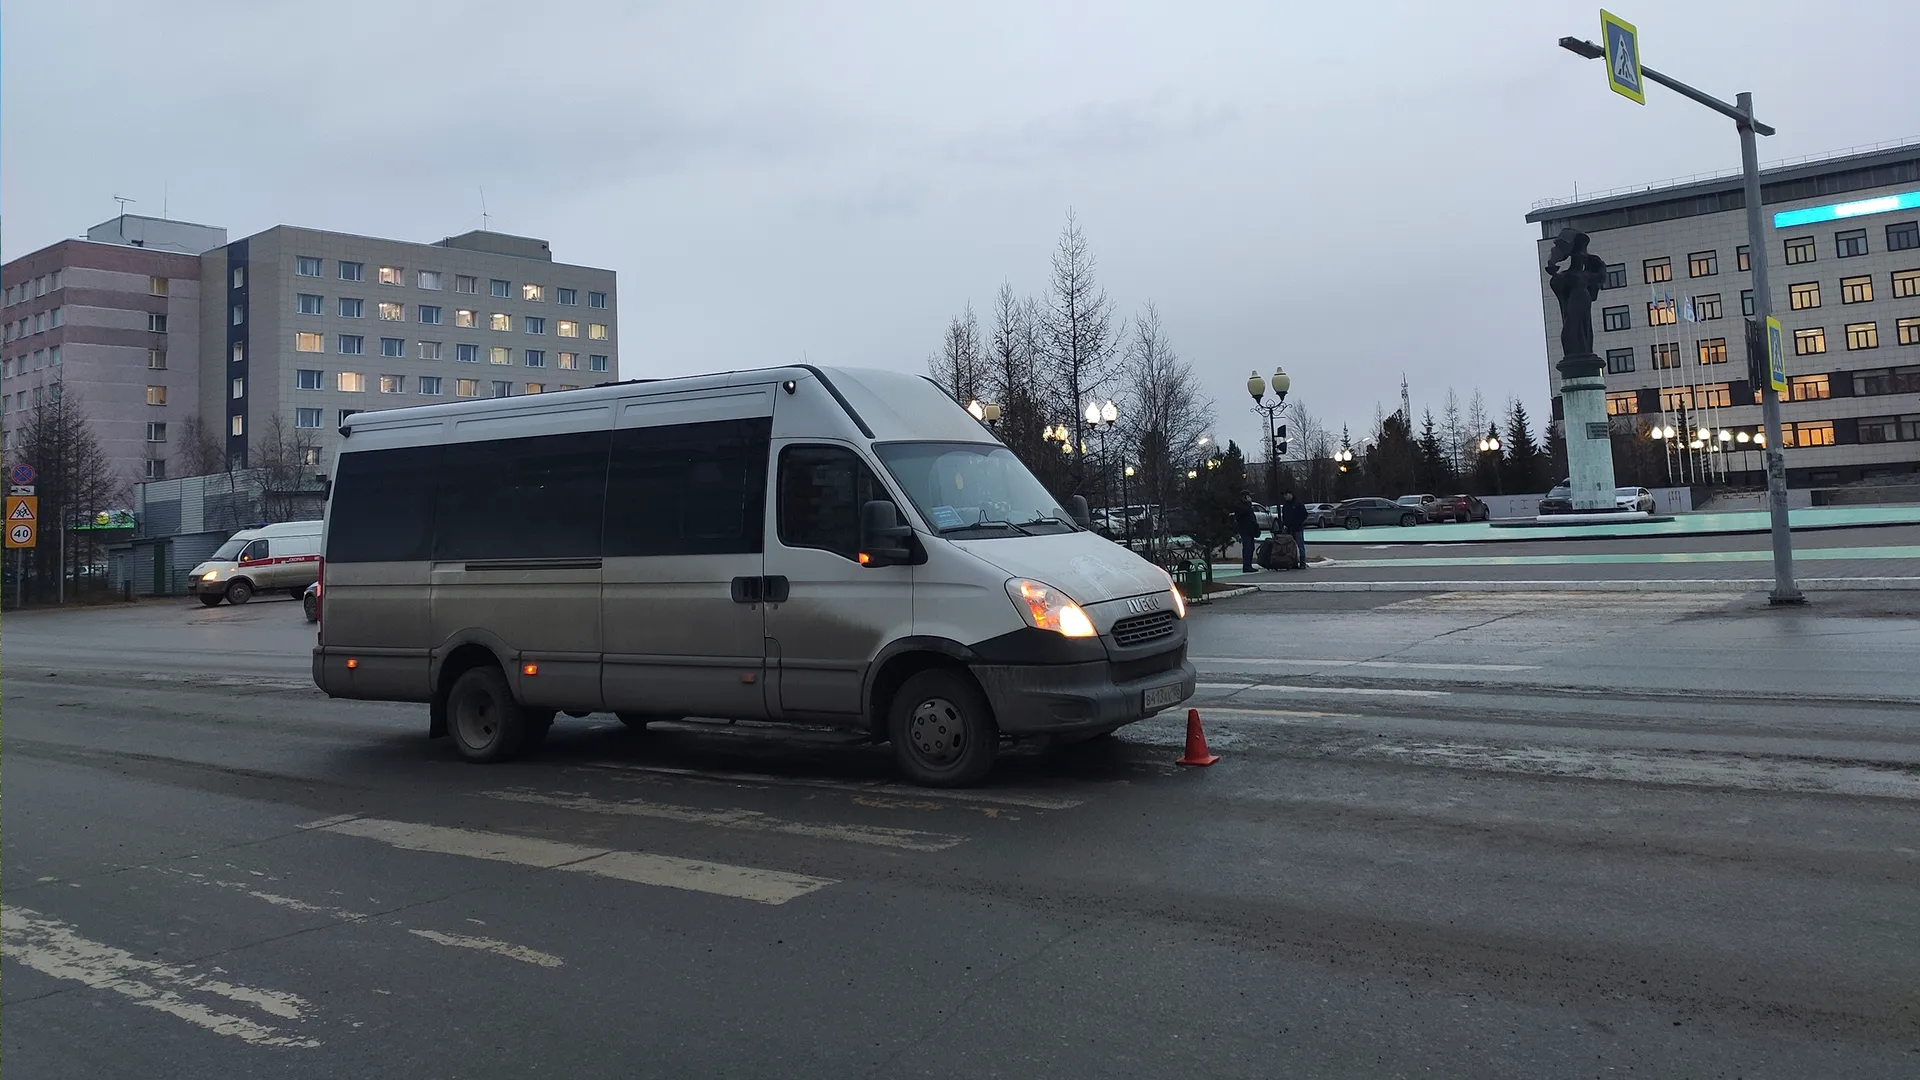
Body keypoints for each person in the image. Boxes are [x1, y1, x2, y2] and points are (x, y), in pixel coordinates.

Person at [1281, 491, 1309, 570]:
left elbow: (1305, 514)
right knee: (1291, 547)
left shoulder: (1298, 504)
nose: (1285, 497)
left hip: (1297, 528)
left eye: (1286, 495)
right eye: (1284, 495)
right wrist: (1284, 524)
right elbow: (1284, 516)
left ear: (1291, 494)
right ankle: (1293, 562)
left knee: (1300, 546)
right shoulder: (1285, 505)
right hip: (1289, 529)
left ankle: (1302, 563)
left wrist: (1298, 522)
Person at [1234, 491, 1260, 574]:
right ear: (1244, 497)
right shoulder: (1240, 505)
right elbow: (1242, 513)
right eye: (1248, 497)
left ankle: (1249, 565)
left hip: (1250, 530)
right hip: (1245, 530)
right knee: (1247, 548)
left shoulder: (1248, 506)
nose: (1250, 498)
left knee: (1251, 548)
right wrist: (1249, 504)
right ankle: (1246, 566)